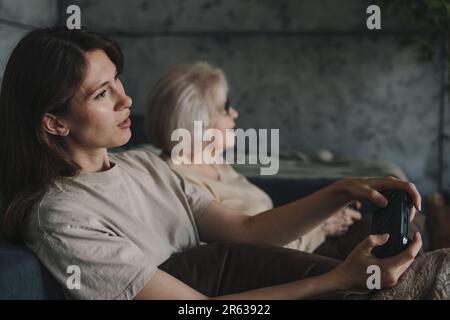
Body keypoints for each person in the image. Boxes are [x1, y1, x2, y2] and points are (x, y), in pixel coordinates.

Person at [0, 27, 422, 300]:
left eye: (118, 83)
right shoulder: (61, 216)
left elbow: (249, 230)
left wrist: (341, 190)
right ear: (54, 122)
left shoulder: (145, 166)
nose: (126, 100)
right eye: (101, 94)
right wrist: (336, 281)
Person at [145, 62, 364, 254]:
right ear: (198, 123)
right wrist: (320, 228)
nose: (235, 114)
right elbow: (248, 253)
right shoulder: (180, 181)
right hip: (293, 261)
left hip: (305, 246)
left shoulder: (214, 162)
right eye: (225, 108)